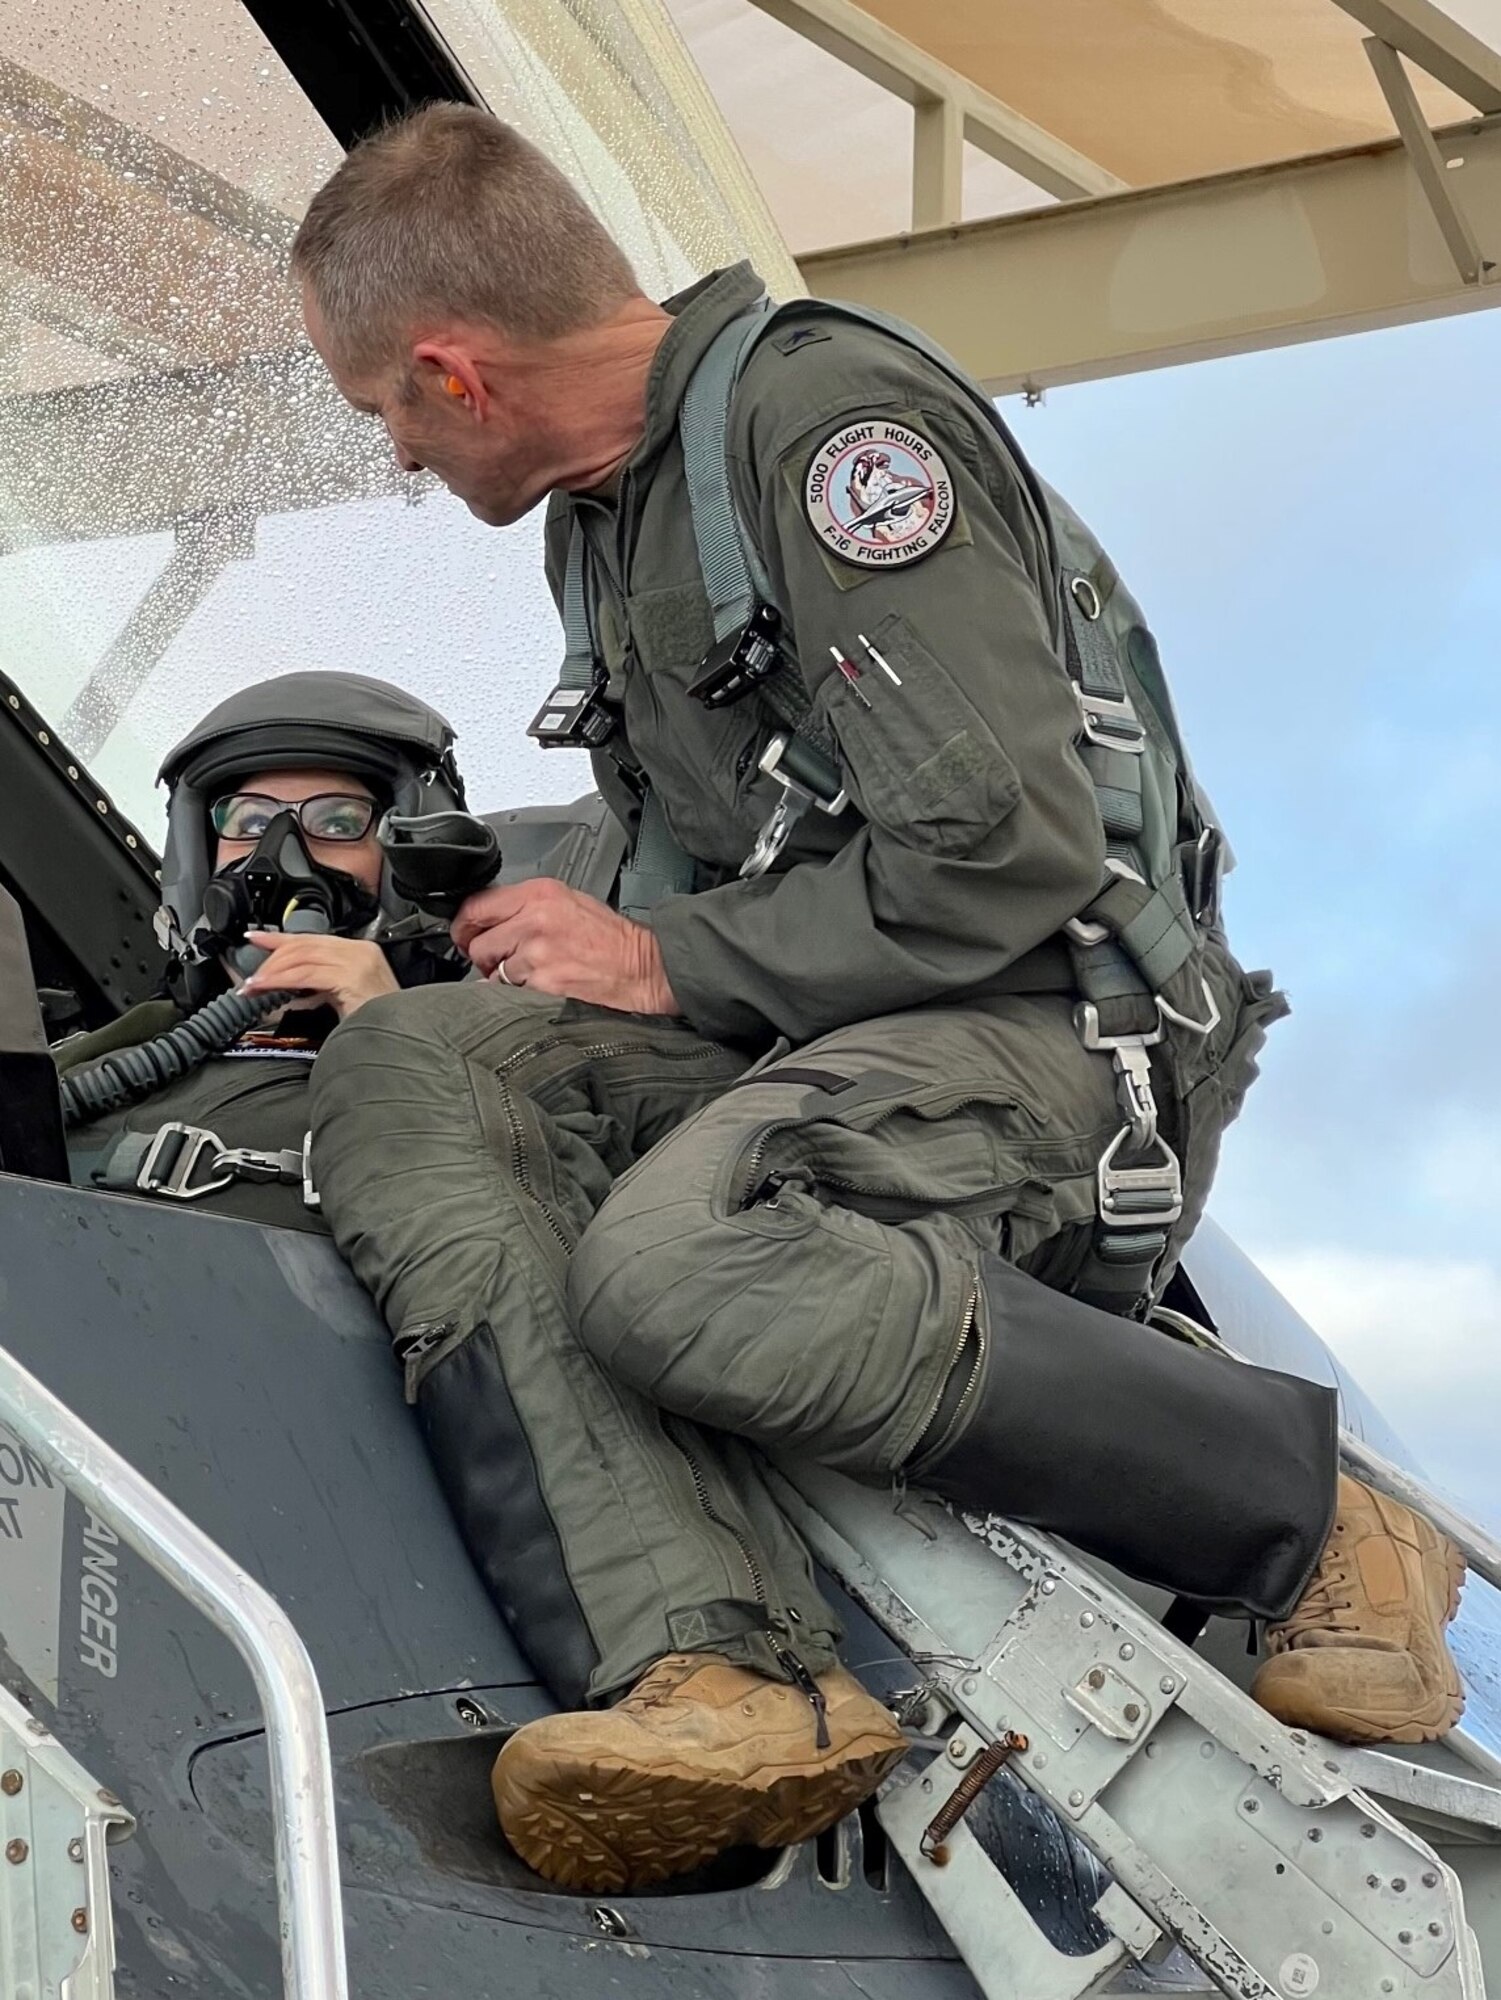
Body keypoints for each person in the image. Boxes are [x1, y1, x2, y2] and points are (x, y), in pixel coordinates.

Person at [288, 106, 1465, 1893]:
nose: (394, 451)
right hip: (845, 1024)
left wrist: (667, 962)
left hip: (1062, 1028)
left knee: (683, 1264)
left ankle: (1309, 1521)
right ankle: (718, 1671)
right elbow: (730, 831)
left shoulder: (824, 439)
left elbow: (1004, 855)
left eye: (382, 406)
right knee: (413, 1076)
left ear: (453, 370)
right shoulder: (614, 519)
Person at [58, 671, 470, 1229]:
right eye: (249, 821)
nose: (278, 857)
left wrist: (387, 1033)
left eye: (339, 821)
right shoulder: (95, 1059)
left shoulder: (483, 1076)